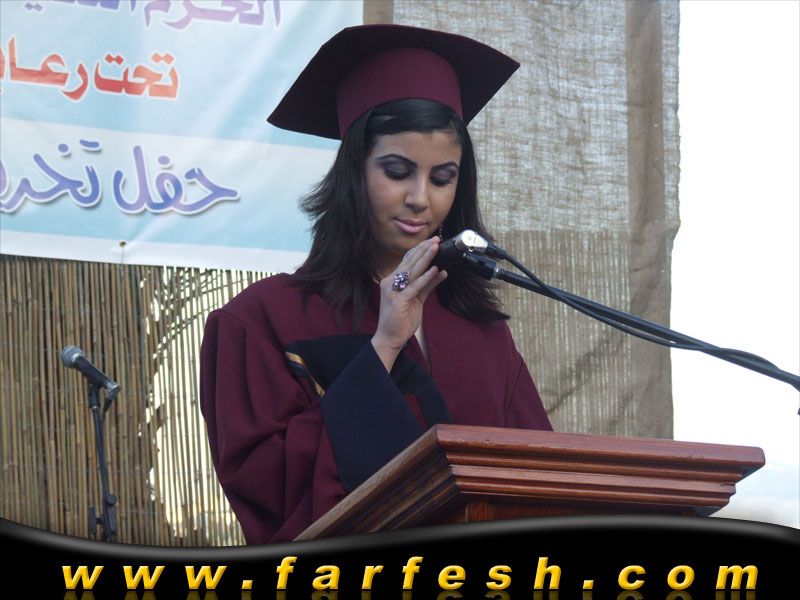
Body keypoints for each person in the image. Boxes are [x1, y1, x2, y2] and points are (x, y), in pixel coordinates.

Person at [200, 24, 552, 545]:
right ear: (353, 171)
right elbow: (271, 496)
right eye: (397, 171)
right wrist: (383, 347)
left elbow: (539, 477)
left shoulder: (481, 329)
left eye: (442, 178)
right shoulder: (260, 322)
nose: (420, 198)